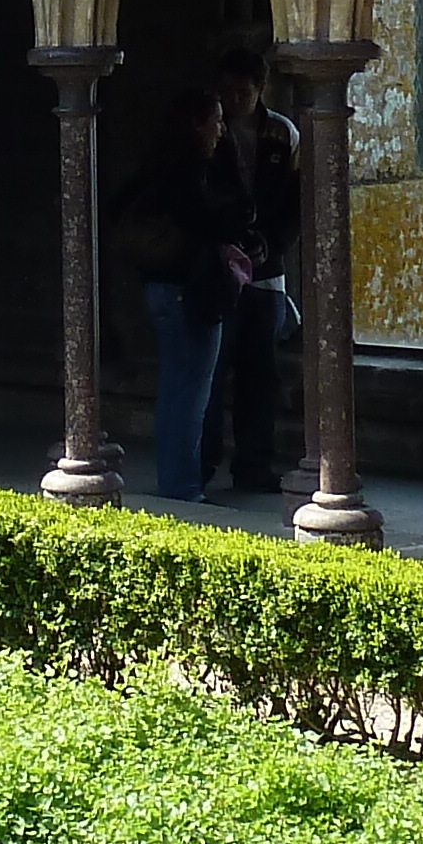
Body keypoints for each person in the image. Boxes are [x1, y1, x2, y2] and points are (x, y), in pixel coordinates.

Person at [115, 83, 251, 503]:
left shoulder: (157, 165)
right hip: (186, 287)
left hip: (160, 286)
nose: (221, 130)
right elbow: (218, 218)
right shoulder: (189, 170)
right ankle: (182, 486)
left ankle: (176, 480)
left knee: (177, 389)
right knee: (192, 392)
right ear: (196, 124)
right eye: (215, 122)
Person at [203, 43, 304, 498]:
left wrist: (273, 243)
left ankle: (254, 465)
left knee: (260, 375)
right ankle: (201, 463)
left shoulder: (283, 135)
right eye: (226, 91)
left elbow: (296, 202)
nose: (234, 100)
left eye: (243, 91)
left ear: (260, 90)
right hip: (221, 265)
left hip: (267, 273)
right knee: (212, 369)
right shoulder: (210, 131)